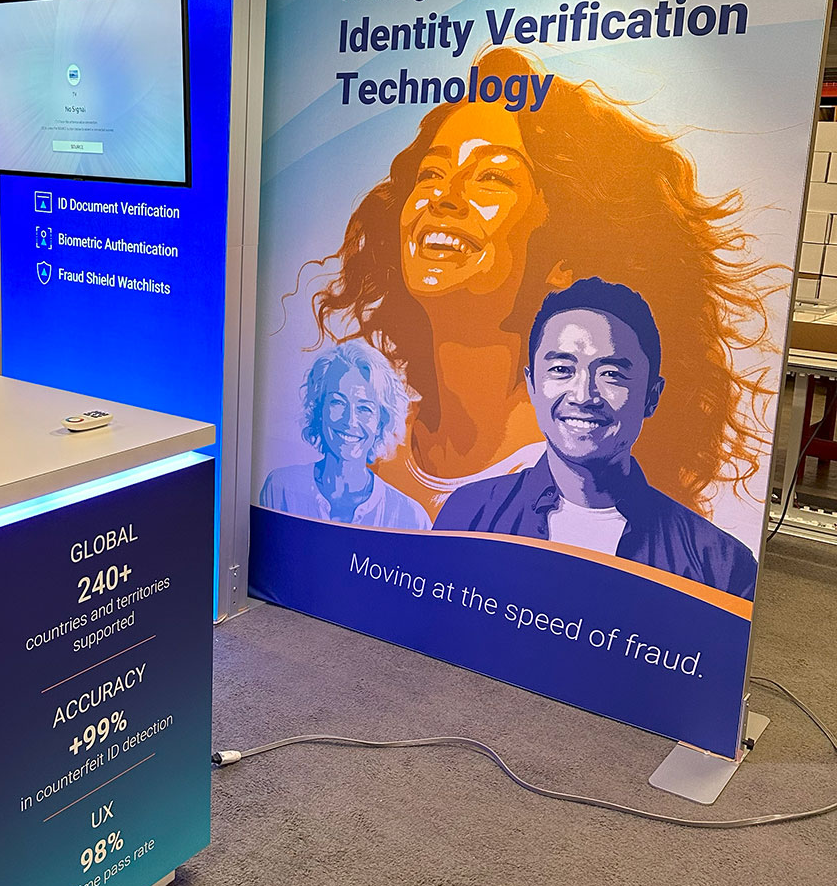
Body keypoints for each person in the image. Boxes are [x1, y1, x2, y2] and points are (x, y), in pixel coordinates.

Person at [308, 45, 778, 524]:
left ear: (563, 256)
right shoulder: (369, 444)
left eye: (491, 177)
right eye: (431, 173)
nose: (444, 197)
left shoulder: (590, 491)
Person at [436, 277, 758, 598]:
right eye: (562, 369)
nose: (583, 396)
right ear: (532, 385)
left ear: (652, 396)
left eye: (611, 374)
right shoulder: (469, 516)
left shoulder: (719, 568)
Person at [259, 341, 430, 528]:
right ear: (319, 409)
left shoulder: (411, 517)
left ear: (381, 422)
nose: (350, 421)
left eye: (364, 408)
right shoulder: (281, 488)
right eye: (338, 402)